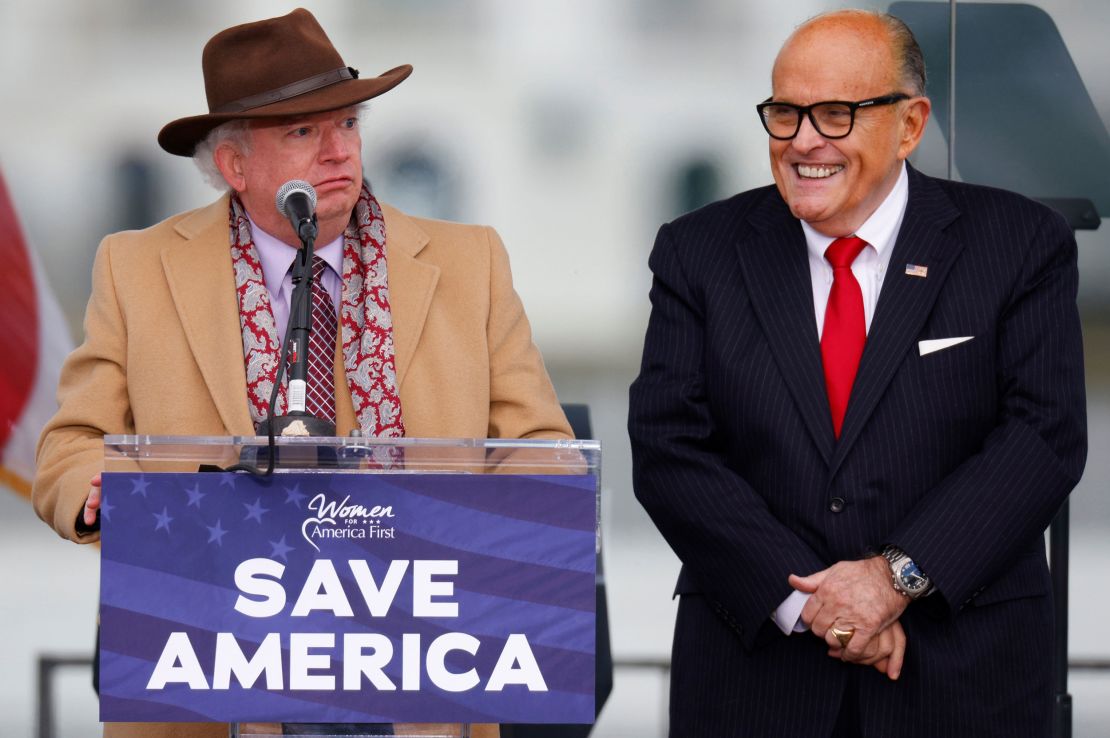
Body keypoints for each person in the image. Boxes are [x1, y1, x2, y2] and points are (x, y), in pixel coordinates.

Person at [33, 8, 571, 738]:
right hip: (213, 675)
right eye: (302, 132)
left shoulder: (469, 262)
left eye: (348, 125)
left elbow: (542, 450)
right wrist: (94, 491)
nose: (337, 151)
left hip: (420, 674)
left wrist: (494, 541)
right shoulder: (135, 269)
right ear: (234, 165)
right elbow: (69, 447)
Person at [628, 9, 1086, 737]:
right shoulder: (699, 252)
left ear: (909, 126)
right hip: (757, 682)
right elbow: (669, 449)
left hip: (961, 676)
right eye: (785, 113)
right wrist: (817, 606)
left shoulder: (1019, 243)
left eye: (836, 114)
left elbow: (1042, 437)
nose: (804, 141)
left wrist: (893, 579)